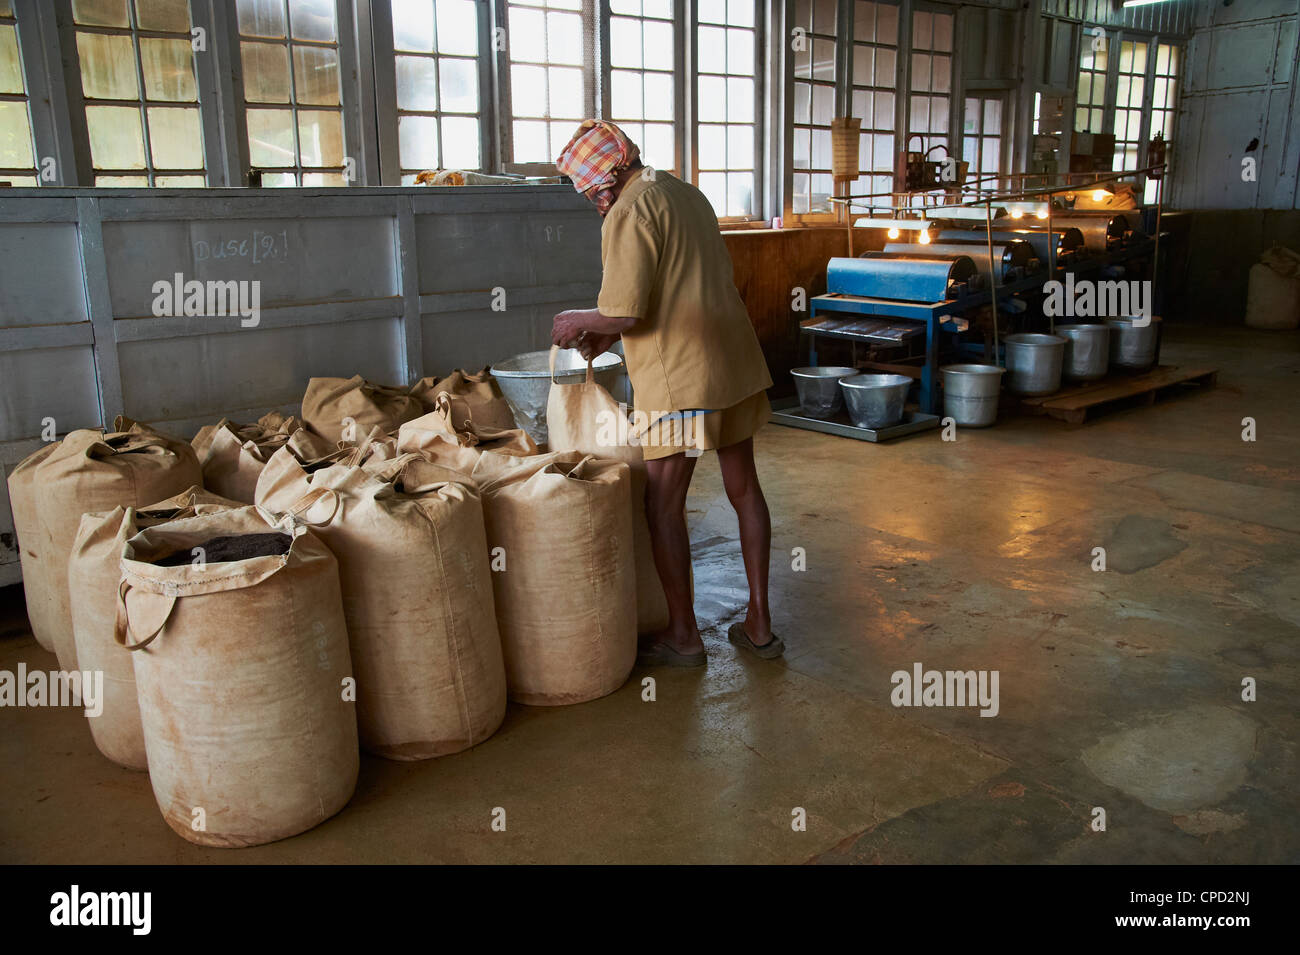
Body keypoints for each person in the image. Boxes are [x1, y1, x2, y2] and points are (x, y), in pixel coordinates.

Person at [550, 119, 783, 667]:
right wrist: (607, 330)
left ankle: (683, 634)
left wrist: (578, 320)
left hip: (681, 380)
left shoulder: (629, 211)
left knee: (662, 506)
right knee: (744, 489)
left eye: (590, 193)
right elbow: (674, 285)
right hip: (732, 362)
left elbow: (629, 309)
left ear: (603, 182)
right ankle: (760, 625)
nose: (594, 203)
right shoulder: (683, 191)